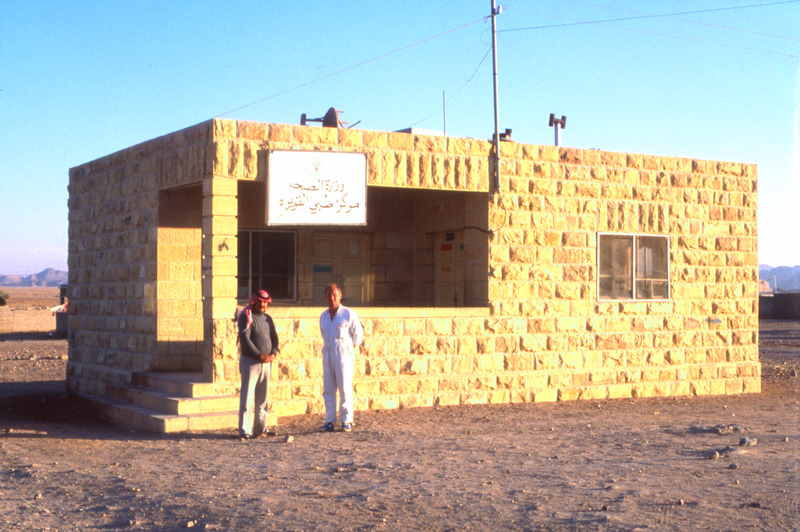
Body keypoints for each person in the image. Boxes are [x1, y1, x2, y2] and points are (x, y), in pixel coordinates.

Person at [319, 283, 363, 432]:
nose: (332, 298)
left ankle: (346, 419)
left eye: (334, 295)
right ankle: (329, 420)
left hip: (343, 355)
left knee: (344, 387)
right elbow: (324, 335)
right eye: (329, 295)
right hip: (328, 354)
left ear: (340, 296)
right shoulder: (324, 316)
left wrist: (349, 350)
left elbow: (358, 335)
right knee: (328, 389)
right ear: (325, 297)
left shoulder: (348, 314)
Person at [237, 289, 279, 440]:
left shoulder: (268, 318)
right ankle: (245, 429)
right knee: (247, 397)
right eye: (260, 302)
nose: (262, 305)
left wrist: (273, 353)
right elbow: (245, 339)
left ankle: (261, 428)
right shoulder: (246, 316)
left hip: (266, 363)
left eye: (265, 302)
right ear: (254, 301)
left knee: (262, 398)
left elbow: (274, 337)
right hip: (250, 362)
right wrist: (259, 355)